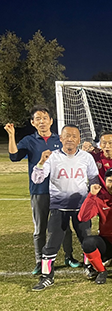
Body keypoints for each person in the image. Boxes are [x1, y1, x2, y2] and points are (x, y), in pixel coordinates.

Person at [5, 106, 78, 273]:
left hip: (61, 190)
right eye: (38, 118)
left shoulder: (60, 139)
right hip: (39, 190)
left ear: (51, 121)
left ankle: (69, 256)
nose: (42, 121)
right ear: (33, 122)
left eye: (45, 118)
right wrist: (11, 135)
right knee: (40, 227)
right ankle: (40, 260)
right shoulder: (29, 140)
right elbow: (14, 156)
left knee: (64, 226)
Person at [30, 124, 99, 291]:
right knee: (52, 243)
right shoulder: (51, 157)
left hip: (81, 207)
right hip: (58, 207)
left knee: (87, 240)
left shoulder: (86, 157)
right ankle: (47, 276)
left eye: (74, 136)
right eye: (67, 136)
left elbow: (94, 177)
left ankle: (88, 267)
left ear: (79, 139)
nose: (70, 139)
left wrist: (94, 188)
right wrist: (40, 162)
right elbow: (37, 179)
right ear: (60, 138)